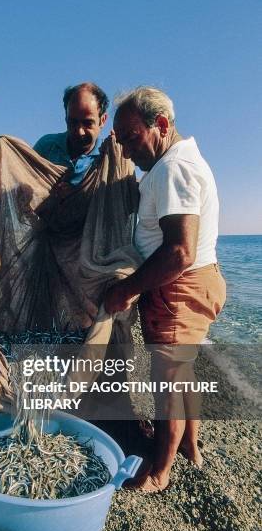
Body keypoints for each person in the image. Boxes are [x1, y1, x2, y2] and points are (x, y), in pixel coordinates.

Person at [105, 86, 226, 492]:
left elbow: (178, 251)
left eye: (132, 138)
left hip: (178, 288)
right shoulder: (175, 162)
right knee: (183, 371)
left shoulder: (174, 167)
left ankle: (160, 471)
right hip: (197, 282)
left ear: (161, 125)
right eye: (120, 142)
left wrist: (127, 290)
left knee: (168, 380)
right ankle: (190, 447)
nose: (125, 152)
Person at [34, 82, 108, 190]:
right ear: (65, 118)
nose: (80, 131)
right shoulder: (46, 147)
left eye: (88, 123)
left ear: (102, 121)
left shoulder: (108, 157)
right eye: (73, 122)